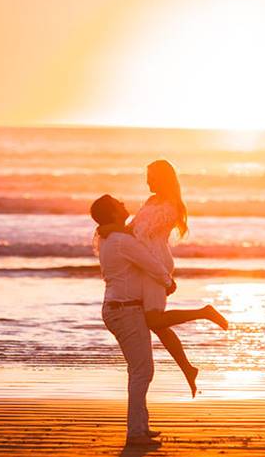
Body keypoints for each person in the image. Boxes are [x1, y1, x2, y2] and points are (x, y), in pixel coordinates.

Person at [98, 160, 228, 398]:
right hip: (147, 263)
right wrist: (112, 230)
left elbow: (142, 234)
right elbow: (134, 229)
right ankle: (188, 369)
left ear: (163, 178)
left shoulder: (171, 205)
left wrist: (115, 232)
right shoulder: (151, 201)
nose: (147, 182)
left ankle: (204, 313)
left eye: (151, 177)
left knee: (155, 320)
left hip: (155, 263)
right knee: (156, 324)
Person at [91, 194, 173, 446]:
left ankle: (140, 427)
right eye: (119, 204)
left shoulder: (110, 238)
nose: (124, 205)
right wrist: (168, 282)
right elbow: (152, 264)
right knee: (142, 370)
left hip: (120, 309)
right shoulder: (121, 241)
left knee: (139, 369)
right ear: (113, 213)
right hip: (125, 310)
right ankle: (136, 433)